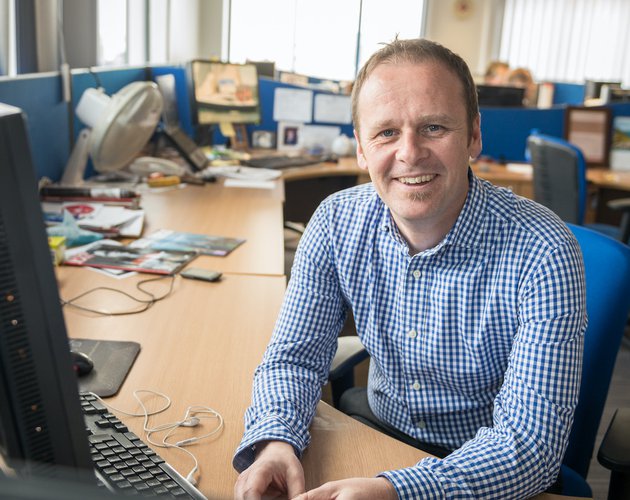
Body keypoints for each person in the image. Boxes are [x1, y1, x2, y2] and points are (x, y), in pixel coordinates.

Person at [233, 38, 586, 499]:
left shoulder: (543, 249)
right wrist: (275, 440)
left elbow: (530, 446)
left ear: (474, 135)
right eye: (385, 133)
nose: (410, 152)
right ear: (361, 148)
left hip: (489, 469)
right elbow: (294, 358)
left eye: (434, 127)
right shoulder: (337, 222)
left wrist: (398, 491)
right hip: (376, 435)